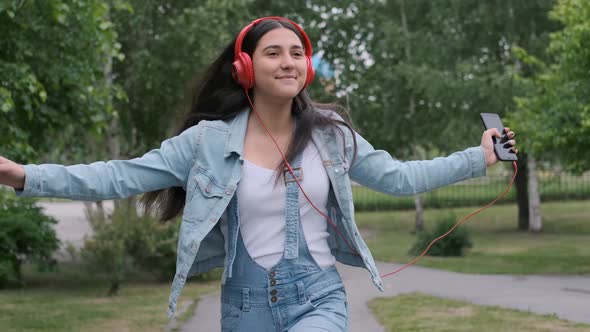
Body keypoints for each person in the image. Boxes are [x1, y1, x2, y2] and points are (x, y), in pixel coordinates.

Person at [0, 16, 517, 331]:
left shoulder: (332, 135)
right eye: (273, 52)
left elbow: (401, 178)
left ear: (307, 69)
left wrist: (479, 157)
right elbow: (118, 176)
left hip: (319, 296)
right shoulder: (206, 143)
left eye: (297, 53)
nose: (288, 61)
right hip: (243, 305)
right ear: (245, 68)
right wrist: (23, 175)